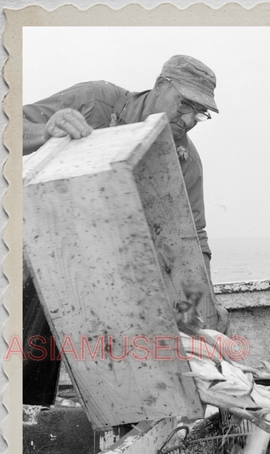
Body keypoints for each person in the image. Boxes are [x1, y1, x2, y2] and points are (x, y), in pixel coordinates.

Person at [22, 55, 229, 403]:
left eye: (201, 112)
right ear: (160, 86)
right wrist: (44, 131)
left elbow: (193, 239)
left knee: (132, 387)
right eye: (186, 104)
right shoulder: (95, 100)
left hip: (117, 276)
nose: (191, 119)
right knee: (28, 368)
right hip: (44, 253)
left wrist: (203, 300)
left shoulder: (186, 160)